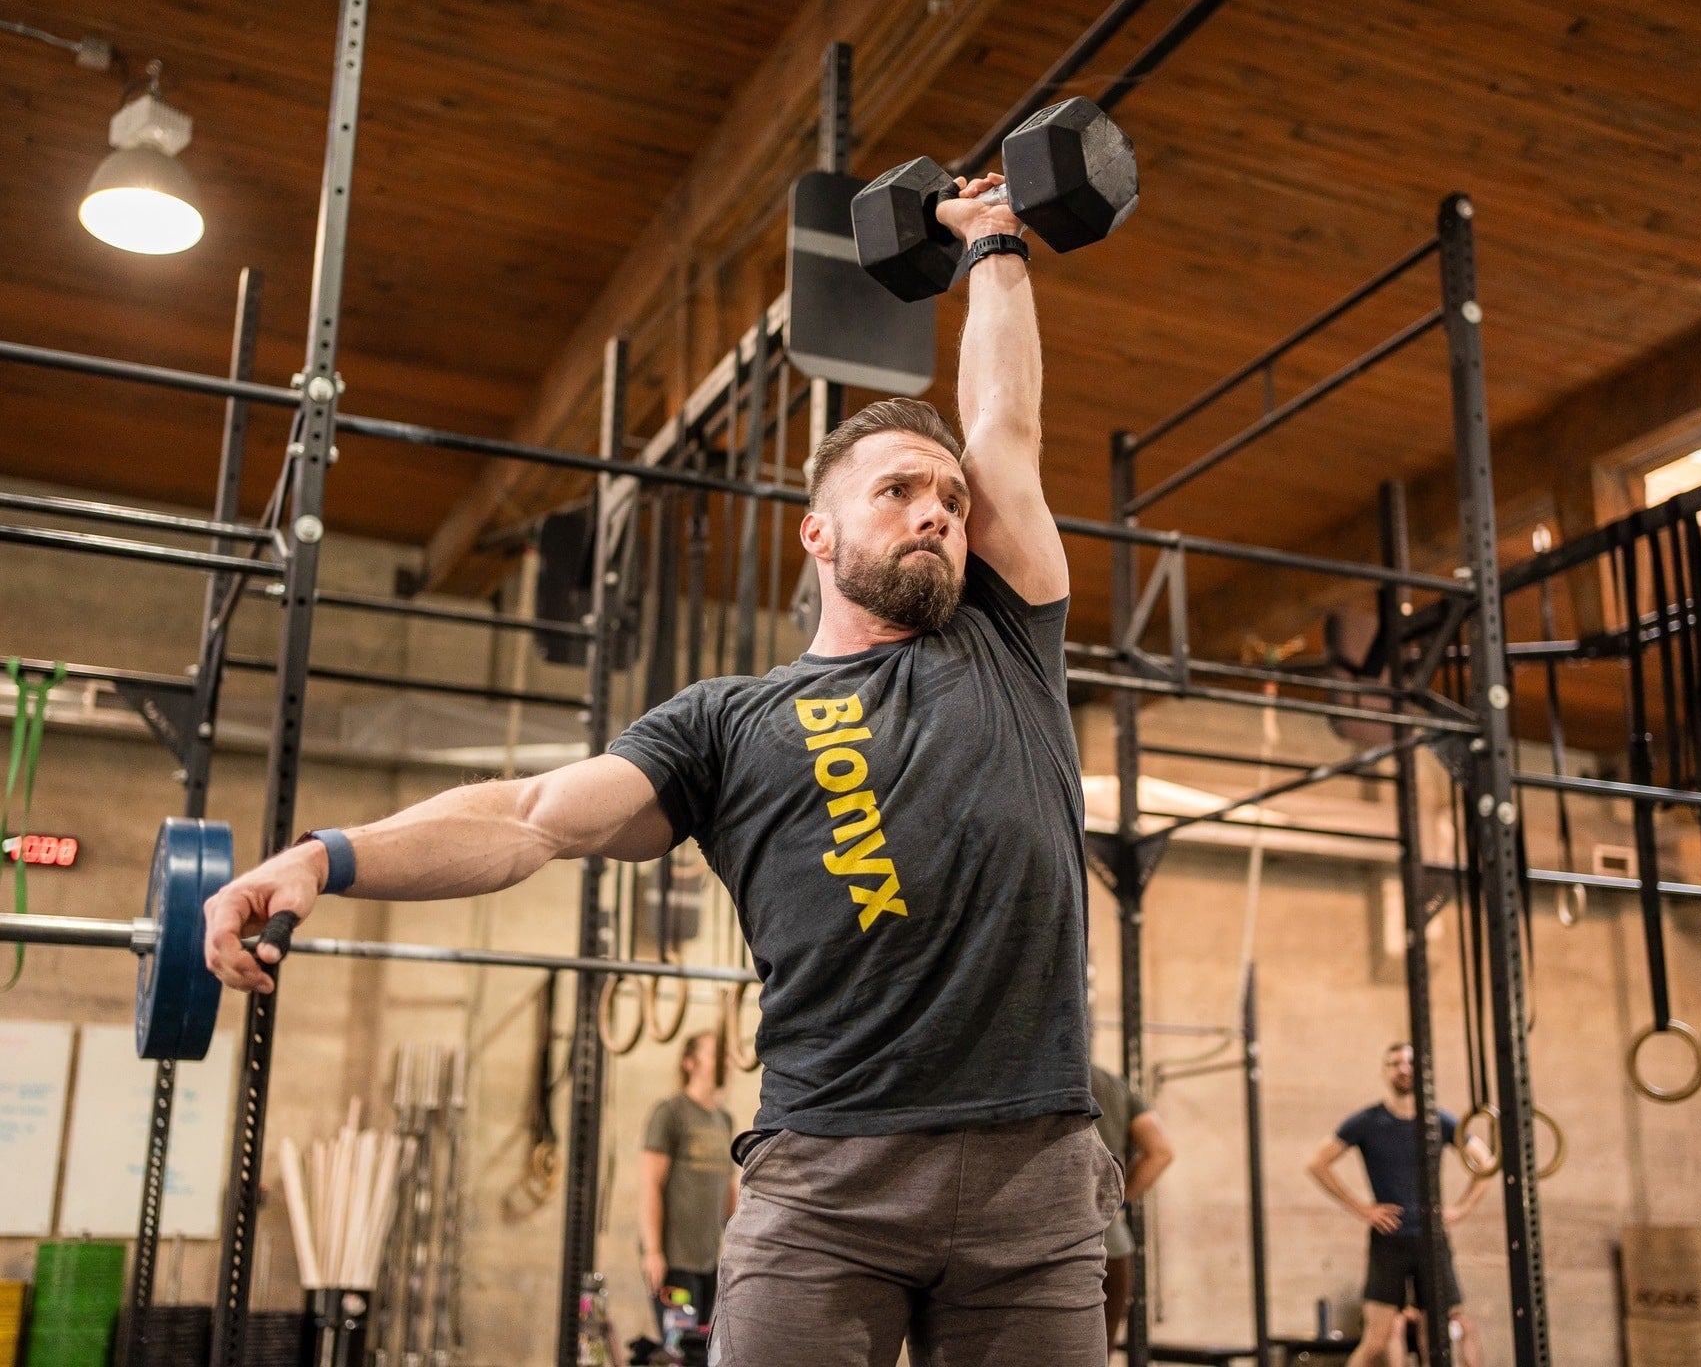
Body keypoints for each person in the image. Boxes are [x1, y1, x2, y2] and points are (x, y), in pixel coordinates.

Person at [204, 171, 1121, 1366]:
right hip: (826, 1180)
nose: (937, 511)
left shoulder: (1005, 639)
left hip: (1034, 1179)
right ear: (819, 532)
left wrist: (993, 238)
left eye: (947, 498)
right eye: (897, 490)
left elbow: (1004, 430)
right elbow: (531, 817)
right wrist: (324, 857)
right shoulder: (726, 721)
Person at [1305, 1043, 1489, 1367]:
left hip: (1431, 1241)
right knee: (1376, 1340)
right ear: (1385, 1071)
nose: (1403, 1069)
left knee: (1435, 1340)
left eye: (1409, 1062)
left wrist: (1461, 1209)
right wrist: (1362, 1208)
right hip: (1388, 1240)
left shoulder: (1439, 1120)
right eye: (1395, 1063)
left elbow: (1485, 1163)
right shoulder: (1366, 1122)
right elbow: (1317, 1164)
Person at [640, 1031, 736, 1331]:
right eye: (715, 1054)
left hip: (709, 1262)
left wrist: (739, 1246)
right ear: (690, 1063)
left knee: (703, 1353)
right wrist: (653, 1250)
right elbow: (650, 1184)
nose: (726, 1061)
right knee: (679, 1352)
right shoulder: (670, 1113)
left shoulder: (724, 1119)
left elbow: (728, 1187)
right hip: (675, 1262)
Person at [1088, 1062, 1174, 1356]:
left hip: (1058, 1250)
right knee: (1098, 1357)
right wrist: (1116, 1202)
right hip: (1114, 1247)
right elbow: (1161, 1151)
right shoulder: (1113, 1083)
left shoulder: (1037, 1076)